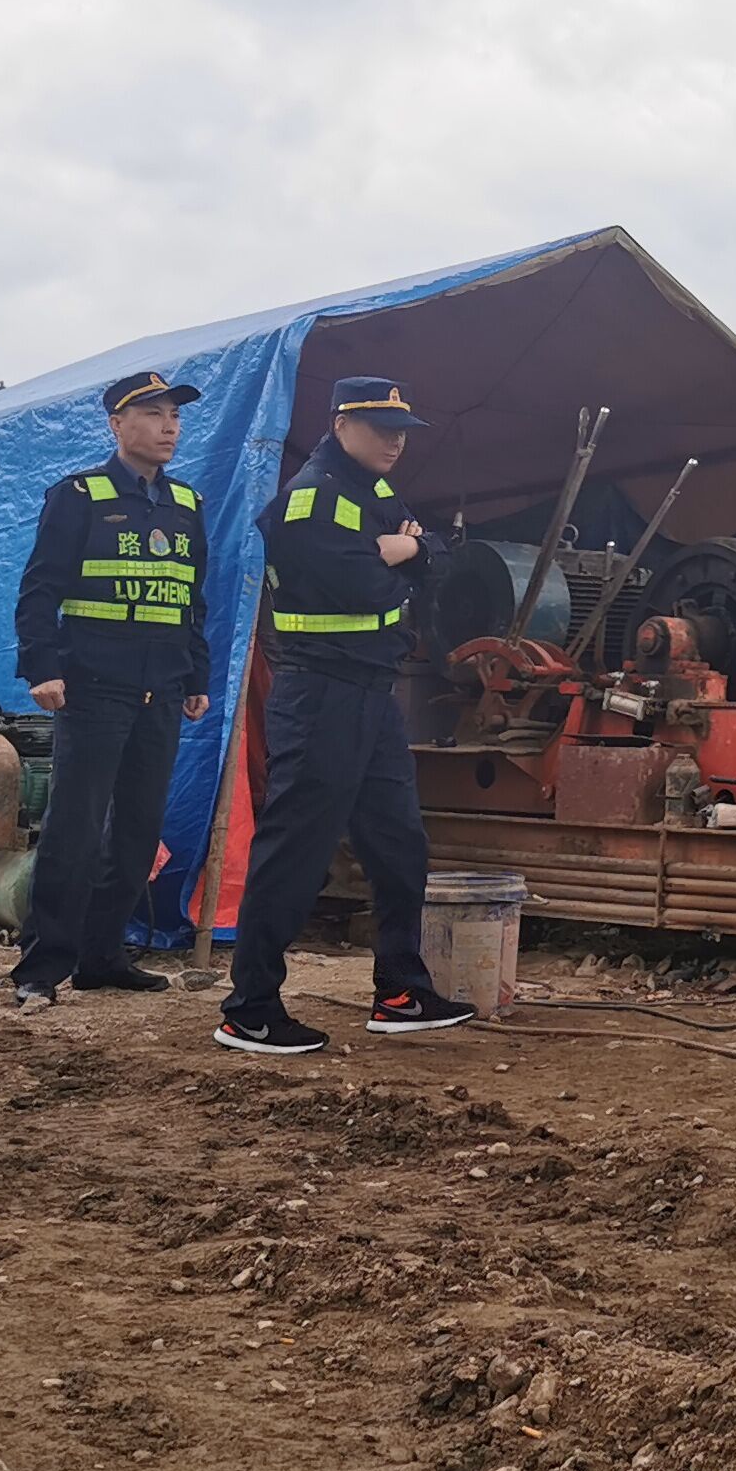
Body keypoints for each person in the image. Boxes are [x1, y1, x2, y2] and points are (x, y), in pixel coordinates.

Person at [217, 375, 473, 1056]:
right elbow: (366, 588)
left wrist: (409, 549)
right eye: (381, 428)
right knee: (296, 852)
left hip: (371, 693)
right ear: (339, 425)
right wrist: (403, 556)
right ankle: (250, 1008)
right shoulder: (311, 502)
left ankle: (400, 992)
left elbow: (441, 558)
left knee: (399, 845)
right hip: (321, 693)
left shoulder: (373, 494)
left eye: (402, 431)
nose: (396, 442)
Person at [5, 370, 213, 1008]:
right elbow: (40, 590)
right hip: (94, 689)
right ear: (116, 425)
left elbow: (190, 599)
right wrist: (42, 667)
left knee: (138, 831)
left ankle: (102, 957)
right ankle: (42, 967)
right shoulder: (79, 496)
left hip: (162, 691)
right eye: (152, 414)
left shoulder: (187, 505)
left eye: (175, 415)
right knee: (74, 828)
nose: (169, 427)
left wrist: (196, 676)